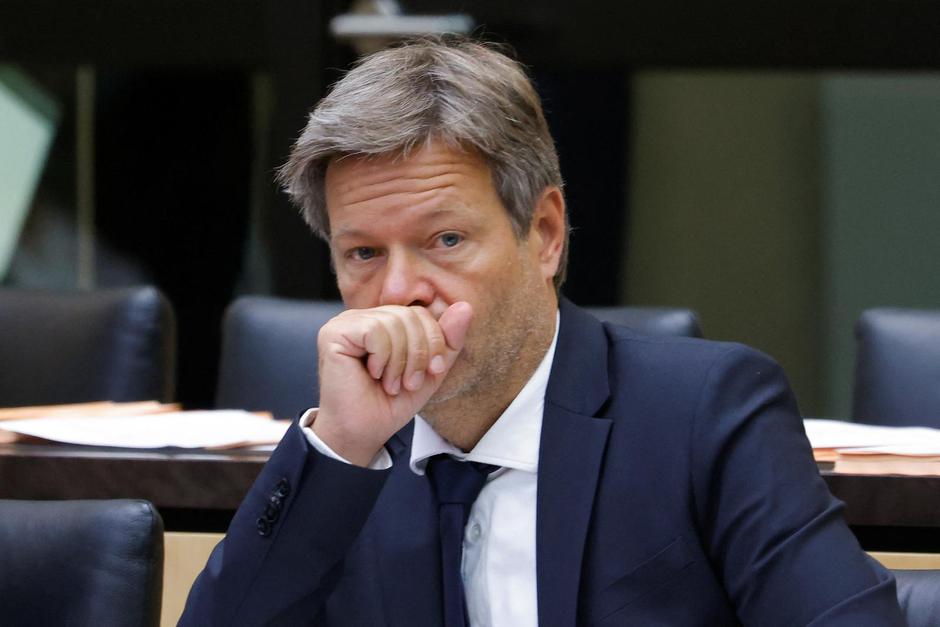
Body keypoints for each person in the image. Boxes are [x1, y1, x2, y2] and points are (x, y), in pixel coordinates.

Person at [181, 36, 904, 626]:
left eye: (445, 240)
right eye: (363, 253)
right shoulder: (342, 454)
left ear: (547, 234)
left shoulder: (705, 413)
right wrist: (340, 448)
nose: (398, 290)